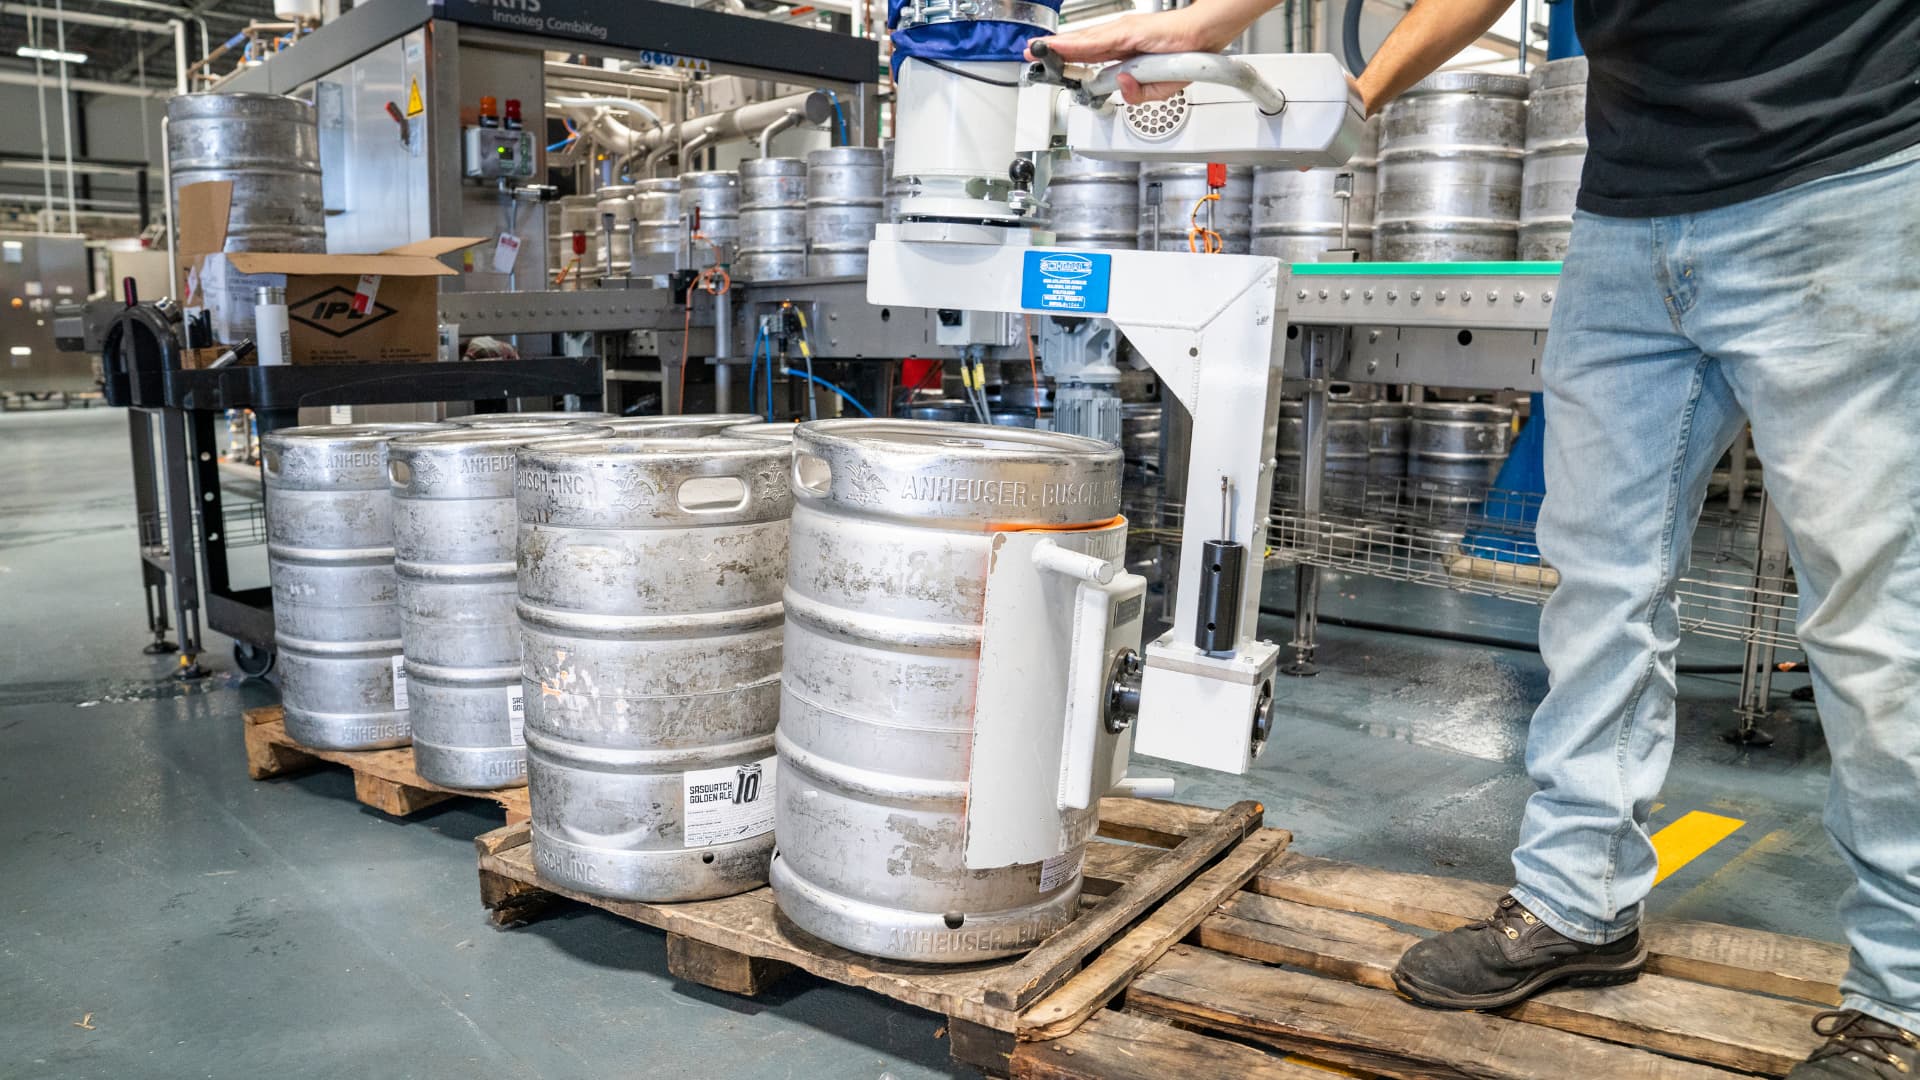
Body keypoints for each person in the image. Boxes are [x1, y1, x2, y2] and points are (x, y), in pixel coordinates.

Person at [1033, 2, 1920, 1075]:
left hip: (1847, 179)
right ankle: (1578, 906)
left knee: (1872, 617)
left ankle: (1903, 997)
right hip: (1629, 207)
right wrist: (1314, 77)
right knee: (1598, 585)